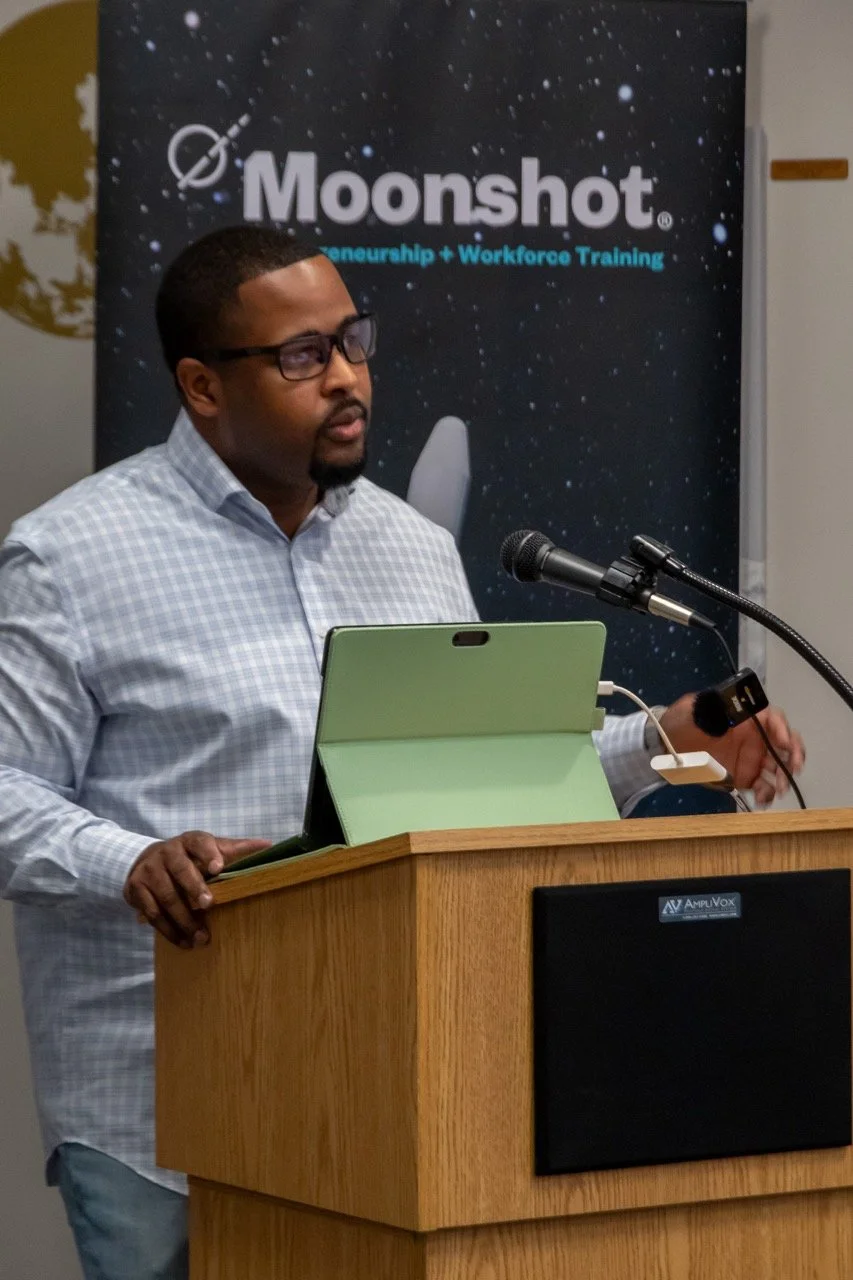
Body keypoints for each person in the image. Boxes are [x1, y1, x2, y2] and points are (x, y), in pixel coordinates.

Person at [0, 225, 804, 1280]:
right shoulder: (70, 555)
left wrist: (667, 737)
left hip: (384, 1100)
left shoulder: (412, 549)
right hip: (162, 1109)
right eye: (302, 355)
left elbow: (495, 777)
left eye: (353, 340)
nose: (347, 379)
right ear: (201, 384)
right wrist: (135, 860)